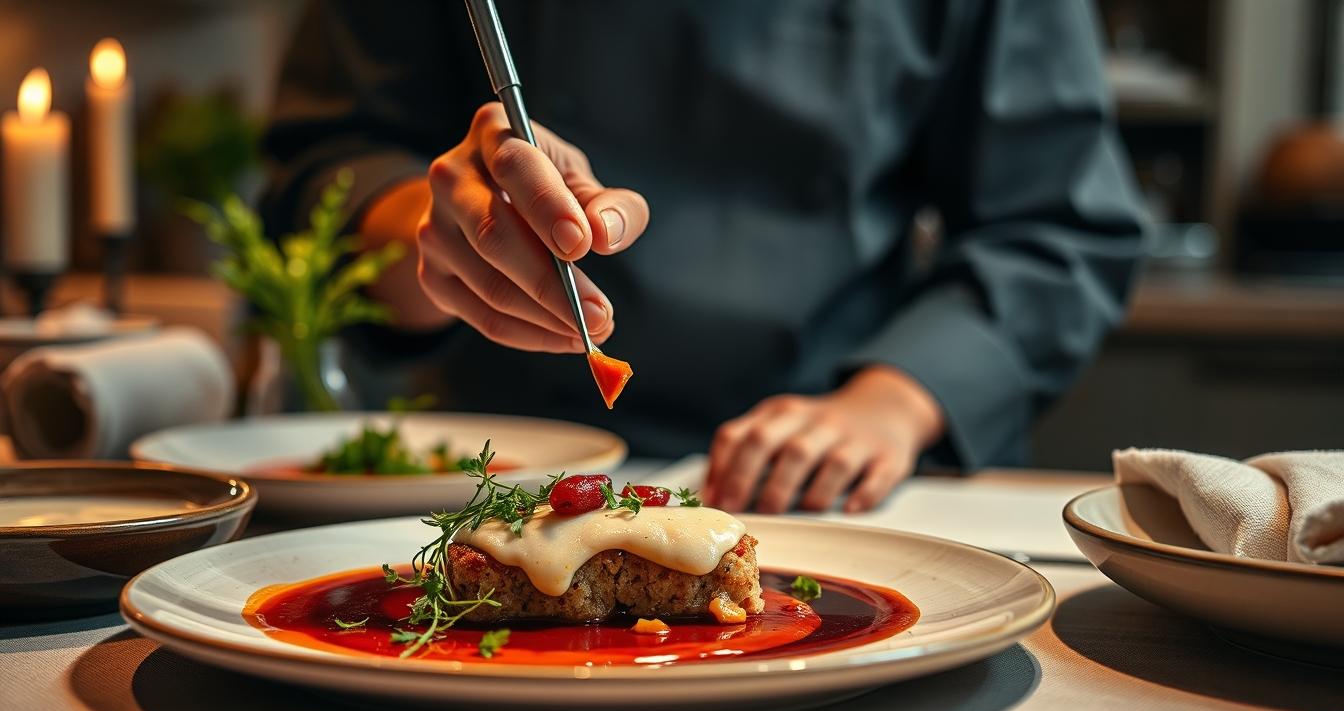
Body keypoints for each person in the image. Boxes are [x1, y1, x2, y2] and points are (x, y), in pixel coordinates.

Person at [262, 1, 1147, 514]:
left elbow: (1056, 227)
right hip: (495, 473)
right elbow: (326, 166)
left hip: (827, 481)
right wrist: (438, 232)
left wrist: (893, 402)